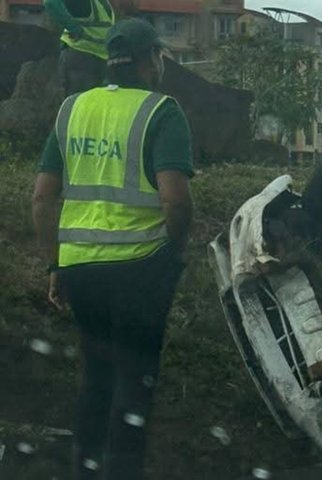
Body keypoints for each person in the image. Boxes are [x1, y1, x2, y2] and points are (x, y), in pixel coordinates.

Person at [31, 18, 193, 479]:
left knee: (97, 377)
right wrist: (174, 251)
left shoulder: (71, 110)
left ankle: (86, 471)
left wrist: (56, 262)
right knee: (134, 383)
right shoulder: (162, 111)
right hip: (141, 270)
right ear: (150, 60)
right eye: (159, 56)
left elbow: (43, 197)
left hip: (81, 271)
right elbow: (175, 199)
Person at [44, 0, 115, 95]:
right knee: (79, 103)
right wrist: (74, 28)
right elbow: (50, 2)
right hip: (82, 56)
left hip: (96, 58)